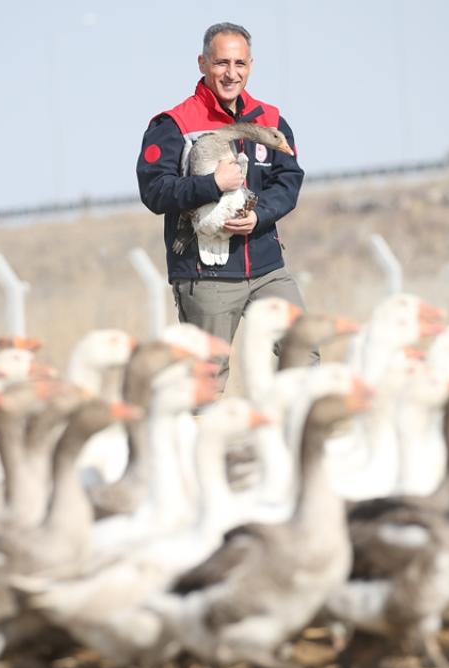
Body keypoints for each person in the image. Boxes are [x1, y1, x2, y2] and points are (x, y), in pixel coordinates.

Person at [136, 22, 310, 391]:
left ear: (250, 65)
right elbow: (155, 191)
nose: (231, 74)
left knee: (304, 354)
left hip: (267, 268)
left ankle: (290, 440)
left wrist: (260, 216)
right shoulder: (173, 125)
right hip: (206, 273)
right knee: (205, 381)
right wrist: (210, 185)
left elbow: (289, 180)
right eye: (221, 63)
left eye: (240, 64)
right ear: (202, 63)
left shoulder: (271, 120)